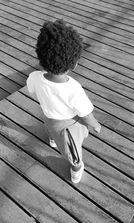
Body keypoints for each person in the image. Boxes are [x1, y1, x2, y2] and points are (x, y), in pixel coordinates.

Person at [26, 19, 101, 183]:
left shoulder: (34, 77)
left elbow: (32, 91)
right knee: (72, 151)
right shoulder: (73, 88)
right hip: (69, 125)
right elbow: (85, 113)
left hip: (49, 117)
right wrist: (95, 124)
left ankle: (53, 139)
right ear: (74, 64)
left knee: (52, 129)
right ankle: (77, 167)